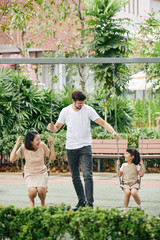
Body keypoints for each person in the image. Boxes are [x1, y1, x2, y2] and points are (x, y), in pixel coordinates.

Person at [47, 89, 119, 211]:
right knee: (75, 176)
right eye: (79, 103)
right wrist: (52, 128)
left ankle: (89, 204)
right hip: (70, 147)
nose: (82, 105)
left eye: (83, 103)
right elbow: (56, 128)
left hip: (85, 146)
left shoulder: (88, 110)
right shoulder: (65, 111)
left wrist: (113, 131)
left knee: (87, 175)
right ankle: (81, 201)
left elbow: (102, 122)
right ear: (73, 101)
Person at [10, 130, 56, 208]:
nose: (39, 141)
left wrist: (51, 145)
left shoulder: (42, 146)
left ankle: (42, 202)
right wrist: (17, 144)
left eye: (40, 139)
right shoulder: (23, 148)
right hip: (29, 173)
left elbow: (53, 157)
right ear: (31, 141)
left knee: (41, 190)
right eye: (37, 139)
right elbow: (12, 159)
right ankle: (32, 201)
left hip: (41, 172)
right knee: (32, 192)